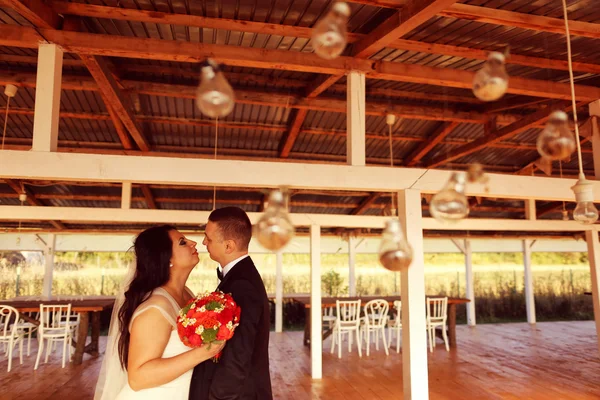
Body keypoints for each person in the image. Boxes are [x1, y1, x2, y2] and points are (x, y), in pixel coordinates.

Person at [94, 225, 224, 400]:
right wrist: (203, 353)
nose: (194, 243)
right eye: (183, 242)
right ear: (166, 258)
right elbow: (138, 378)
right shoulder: (156, 308)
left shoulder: (186, 294)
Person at [189, 207, 273, 400]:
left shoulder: (242, 285)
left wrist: (219, 397)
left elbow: (239, 353)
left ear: (229, 246)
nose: (203, 242)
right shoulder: (239, 277)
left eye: (208, 238)